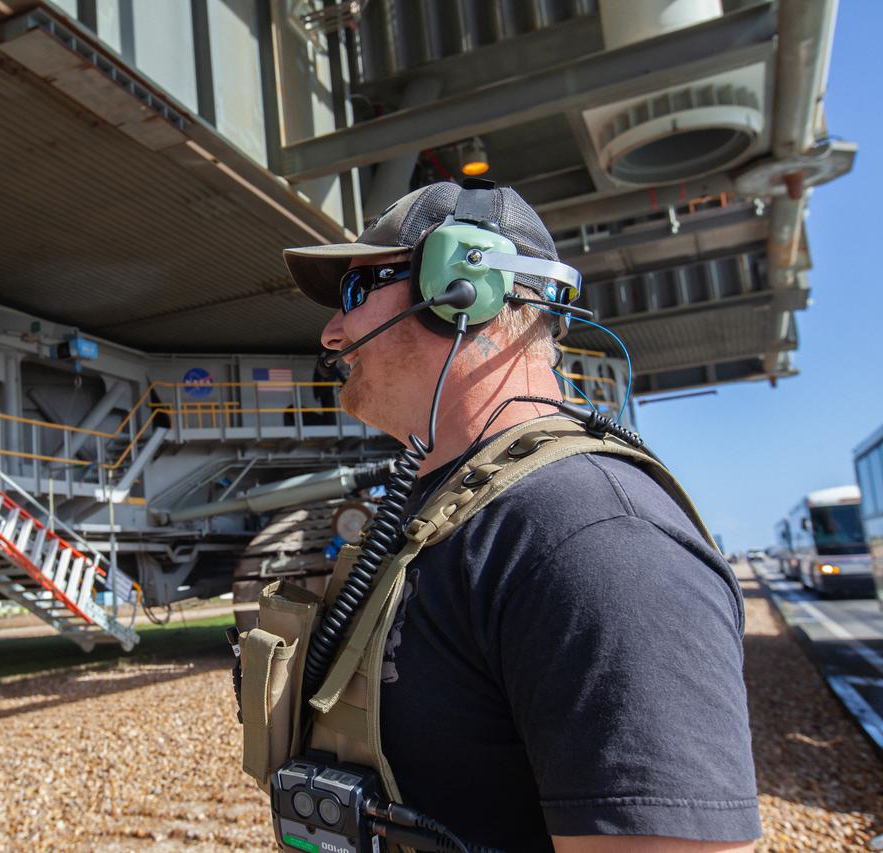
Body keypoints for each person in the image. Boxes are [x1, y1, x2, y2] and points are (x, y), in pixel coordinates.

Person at [281, 181, 761, 852]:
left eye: (357, 292)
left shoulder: (593, 539)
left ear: (458, 285)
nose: (332, 332)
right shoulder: (446, 517)